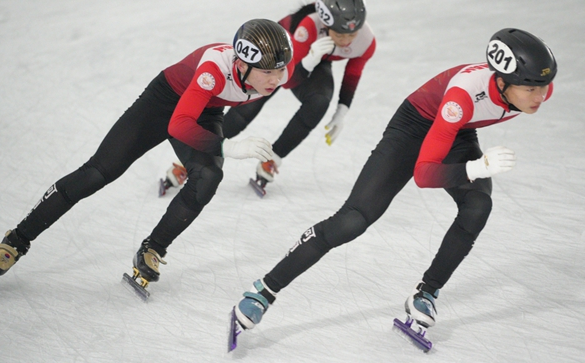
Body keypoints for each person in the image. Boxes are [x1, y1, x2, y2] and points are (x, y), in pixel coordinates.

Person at [231, 28, 557, 337]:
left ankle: (426, 294)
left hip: (456, 131)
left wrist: (473, 166)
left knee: (478, 206)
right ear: (502, 81)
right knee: (353, 220)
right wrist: (476, 167)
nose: (540, 96)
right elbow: (424, 175)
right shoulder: (463, 95)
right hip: (414, 128)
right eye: (530, 89)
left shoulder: (535, 85)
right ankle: (264, 291)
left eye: (542, 87)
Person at [0, 19, 293, 291]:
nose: (276, 78)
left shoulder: (278, 68)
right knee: (99, 172)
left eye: (280, 70)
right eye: (268, 72)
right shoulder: (214, 69)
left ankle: (154, 248)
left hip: (206, 110)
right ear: (241, 65)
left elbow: (301, 73)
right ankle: (16, 240)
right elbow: (178, 124)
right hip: (162, 103)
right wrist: (226, 146)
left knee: (209, 176)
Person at [161, 0, 376, 195]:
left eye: (352, 34)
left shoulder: (366, 41)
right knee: (246, 109)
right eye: (340, 35)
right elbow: (288, 81)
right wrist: (310, 59)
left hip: (315, 59)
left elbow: (353, 74)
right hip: (274, 59)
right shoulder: (307, 27)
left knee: (320, 101)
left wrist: (342, 110)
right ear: (325, 24)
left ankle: (273, 159)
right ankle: (188, 160)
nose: (347, 40)